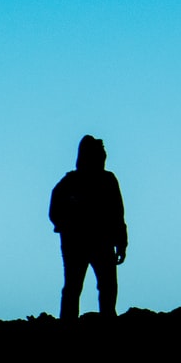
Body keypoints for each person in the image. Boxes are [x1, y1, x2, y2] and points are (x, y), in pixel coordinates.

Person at [49, 135, 128, 321]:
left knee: (103, 285)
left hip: (96, 242)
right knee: (75, 287)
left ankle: (105, 318)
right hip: (80, 243)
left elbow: (117, 214)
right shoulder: (71, 183)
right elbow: (55, 211)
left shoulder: (106, 180)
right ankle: (71, 322)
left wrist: (121, 242)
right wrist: (66, 227)